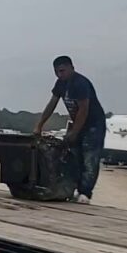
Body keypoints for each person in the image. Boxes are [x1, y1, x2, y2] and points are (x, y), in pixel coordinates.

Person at [33, 56, 106, 204]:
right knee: (73, 157)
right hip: (77, 123)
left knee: (89, 158)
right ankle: (72, 188)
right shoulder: (60, 84)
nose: (60, 74)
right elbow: (52, 104)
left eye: (62, 71)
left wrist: (74, 132)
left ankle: (85, 193)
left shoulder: (80, 83)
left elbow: (83, 110)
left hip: (93, 125)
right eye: (57, 72)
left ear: (71, 68)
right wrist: (39, 125)